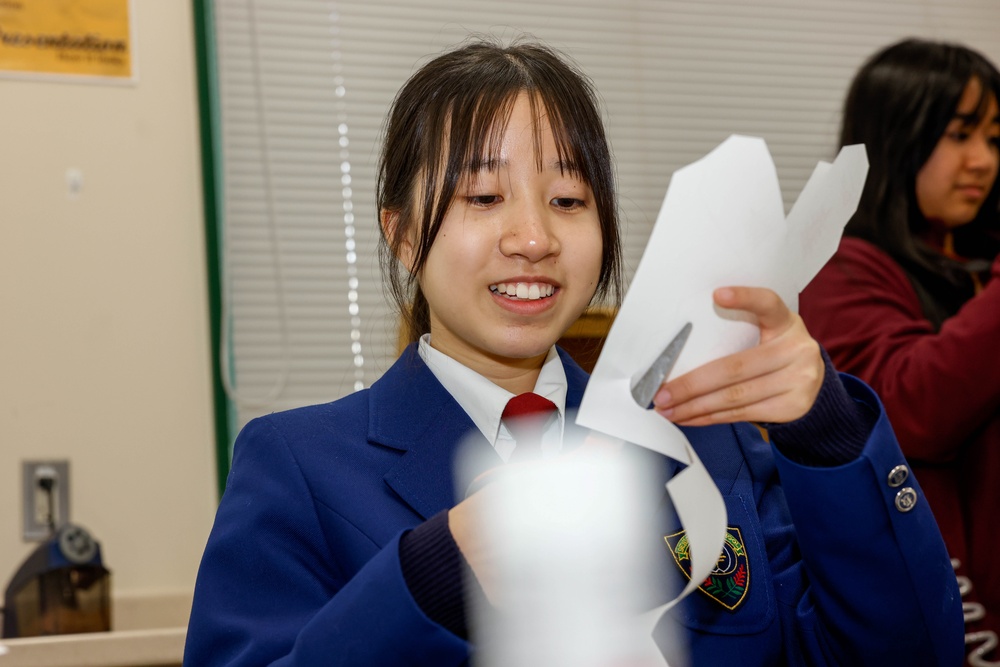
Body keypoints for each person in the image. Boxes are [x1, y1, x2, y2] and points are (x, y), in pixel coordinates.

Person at [184, 38, 963, 666]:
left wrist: (825, 432)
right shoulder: (299, 464)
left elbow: (907, 651)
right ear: (400, 233)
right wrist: (439, 570)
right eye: (483, 198)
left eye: (568, 200)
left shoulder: (703, 445)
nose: (533, 239)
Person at [799, 37, 1000, 652]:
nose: (984, 161)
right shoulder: (841, 270)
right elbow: (914, 407)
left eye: (994, 138)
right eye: (960, 134)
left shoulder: (972, 263)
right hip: (953, 610)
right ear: (894, 137)